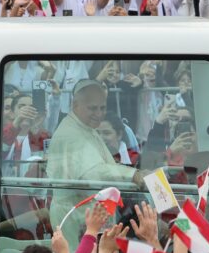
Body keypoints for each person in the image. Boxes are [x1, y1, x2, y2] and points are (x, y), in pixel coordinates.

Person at [45, 79, 140, 243]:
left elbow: (104, 165)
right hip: (74, 215)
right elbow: (93, 173)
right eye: (93, 108)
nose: (99, 113)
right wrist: (132, 175)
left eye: (102, 108)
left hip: (86, 213)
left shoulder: (86, 126)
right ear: (75, 105)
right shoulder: (71, 134)